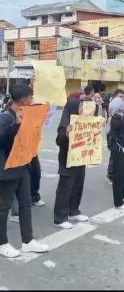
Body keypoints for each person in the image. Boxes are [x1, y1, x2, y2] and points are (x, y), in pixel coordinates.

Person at [0, 84, 48, 258]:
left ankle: (28, 241)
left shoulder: (27, 114)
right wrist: (17, 125)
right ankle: (2, 243)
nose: (33, 100)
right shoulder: (6, 118)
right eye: (30, 98)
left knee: (26, 204)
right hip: (7, 169)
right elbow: (2, 141)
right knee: (4, 207)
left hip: (22, 166)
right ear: (22, 100)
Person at [53, 85, 98, 229]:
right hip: (67, 160)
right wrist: (66, 134)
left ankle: (74, 211)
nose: (81, 108)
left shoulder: (83, 121)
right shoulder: (66, 123)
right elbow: (59, 141)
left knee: (78, 185)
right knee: (65, 188)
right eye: (79, 106)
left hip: (80, 159)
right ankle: (60, 217)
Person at [106, 89, 124, 184]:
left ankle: (118, 174)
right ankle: (111, 175)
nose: (122, 99)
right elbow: (110, 131)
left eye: (123, 97)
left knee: (121, 157)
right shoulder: (114, 118)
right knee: (114, 157)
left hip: (121, 140)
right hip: (115, 140)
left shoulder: (121, 115)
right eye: (120, 97)